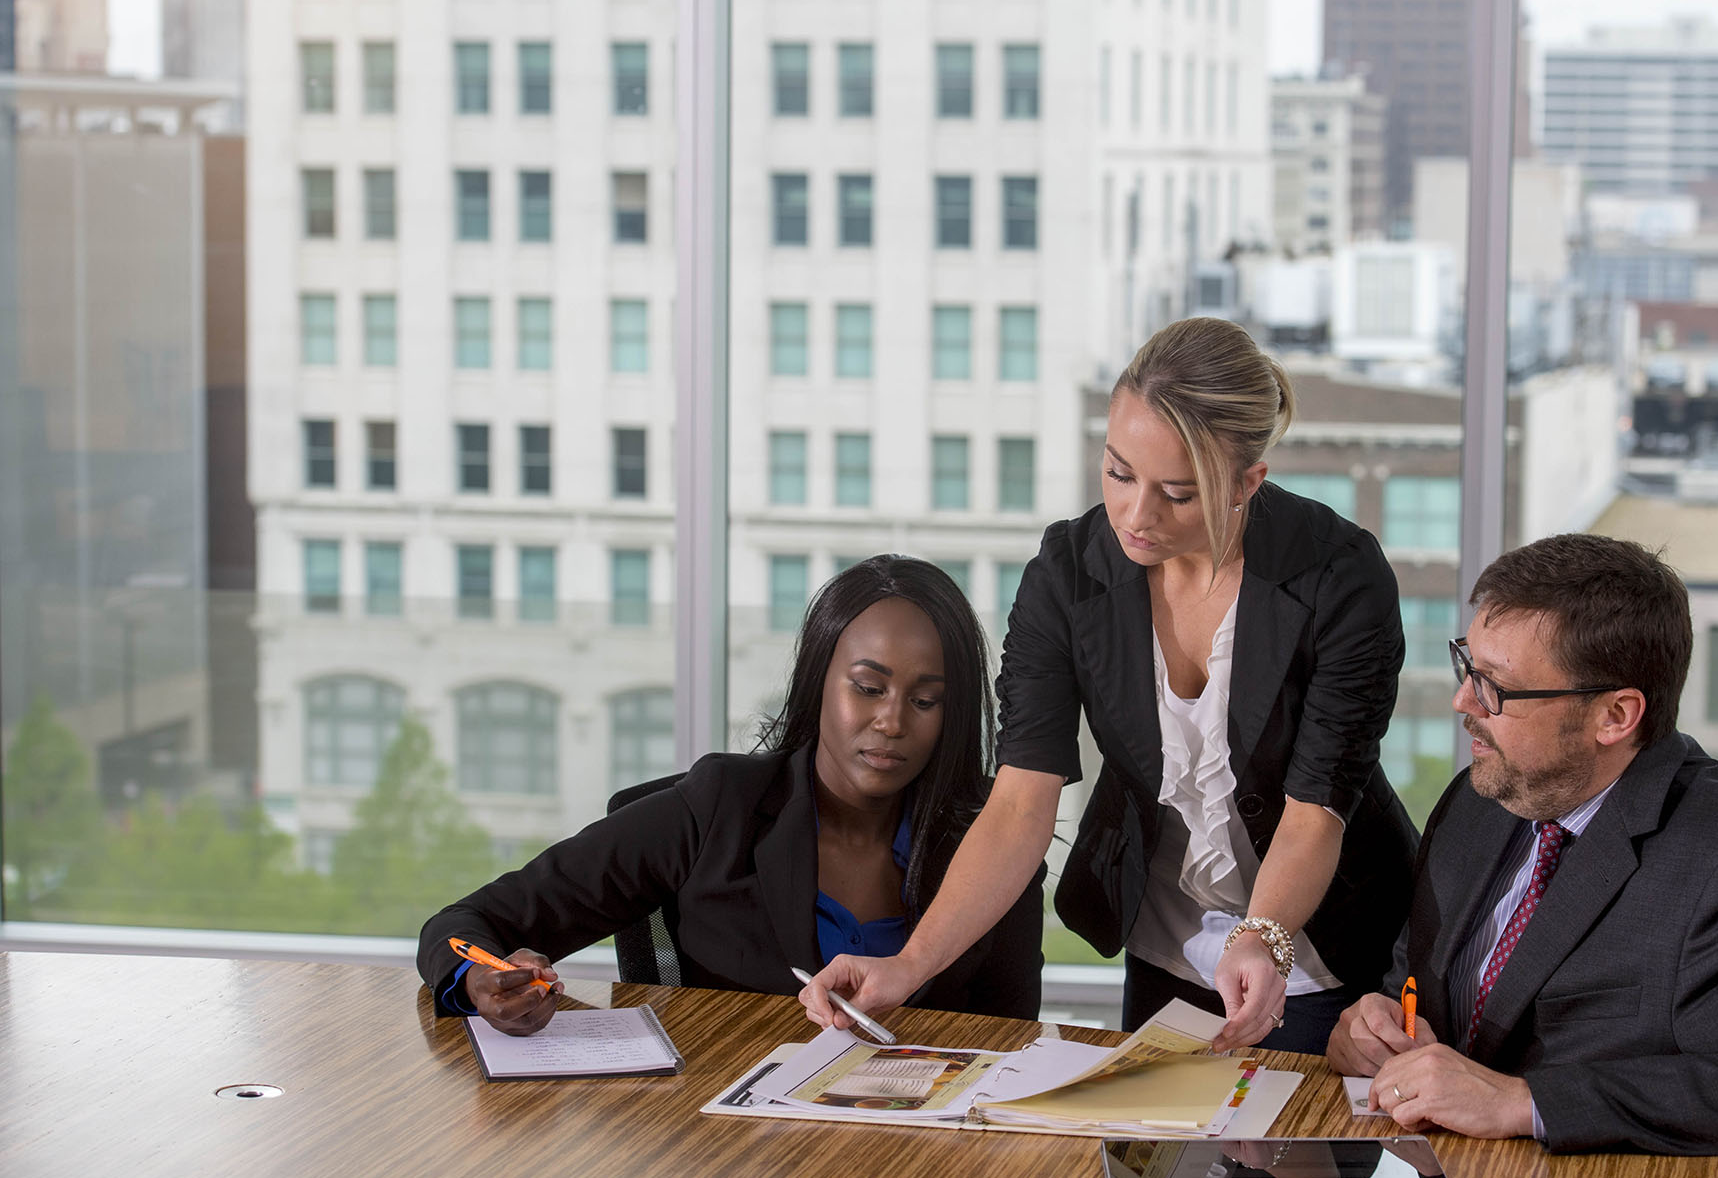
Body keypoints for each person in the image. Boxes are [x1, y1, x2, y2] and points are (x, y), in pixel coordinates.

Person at [805, 317, 1419, 1052]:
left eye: (1179, 493)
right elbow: (1019, 805)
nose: (1136, 515)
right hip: (1169, 940)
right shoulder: (1068, 574)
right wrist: (907, 966)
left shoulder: (1339, 578)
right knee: (1153, 1161)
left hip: (1326, 944)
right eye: (1119, 472)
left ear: (1247, 482)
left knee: (1294, 1162)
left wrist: (1263, 935)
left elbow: (1316, 809)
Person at [1325, 534, 1718, 1155]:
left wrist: (1520, 1102)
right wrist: (1373, 1035)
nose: (1462, 701)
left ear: (1615, 716)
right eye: (1466, 666)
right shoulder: (1479, 800)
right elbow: (1415, 993)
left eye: (1495, 687)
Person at [417, 556, 1042, 1035]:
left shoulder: (994, 845)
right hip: (729, 1161)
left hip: (924, 1163)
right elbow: (460, 926)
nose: (892, 721)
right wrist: (480, 979)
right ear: (817, 682)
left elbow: (1012, 1042)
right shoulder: (719, 807)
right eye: (867, 687)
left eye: (925, 700)